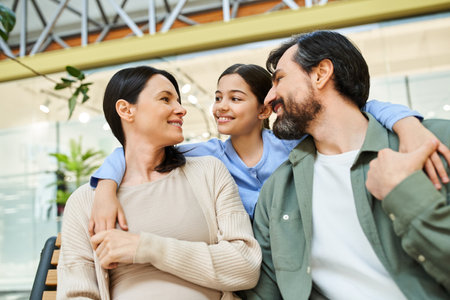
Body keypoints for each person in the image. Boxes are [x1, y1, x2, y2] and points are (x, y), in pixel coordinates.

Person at [88, 63, 438, 234]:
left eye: (235, 98)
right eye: (218, 98)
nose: (221, 107)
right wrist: (105, 187)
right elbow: (137, 149)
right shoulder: (208, 156)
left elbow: (362, 111)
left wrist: (407, 124)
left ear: (263, 109)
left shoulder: (295, 145)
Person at [242, 30, 450, 300]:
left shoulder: (434, 143)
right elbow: (266, 292)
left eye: (280, 79)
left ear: (321, 73)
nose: (269, 98)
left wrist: (403, 192)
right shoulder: (277, 192)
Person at [57, 66, 262, 299]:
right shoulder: (86, 201)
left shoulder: (209, 173)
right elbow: (77, 293)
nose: (181, 109)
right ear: (126, 110)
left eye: (178, 100)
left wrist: (146, 248)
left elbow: (245, 267)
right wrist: (105, 186)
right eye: (165, 99)